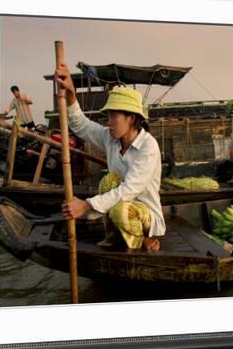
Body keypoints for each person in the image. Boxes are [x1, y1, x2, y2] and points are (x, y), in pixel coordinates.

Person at [54, 64, 164, 251]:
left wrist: (87, 205)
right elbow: (82, 126)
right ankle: (114, 234)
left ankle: (143, 239)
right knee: (108, 181)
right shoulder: (111, 138)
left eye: (114, 116)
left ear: (131, 118)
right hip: (119, 208)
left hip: (144, 214)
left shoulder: (148, 146)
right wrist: (71, 95)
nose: (109, 122)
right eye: (108, 116)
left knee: (120, 210)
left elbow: (129, 189)